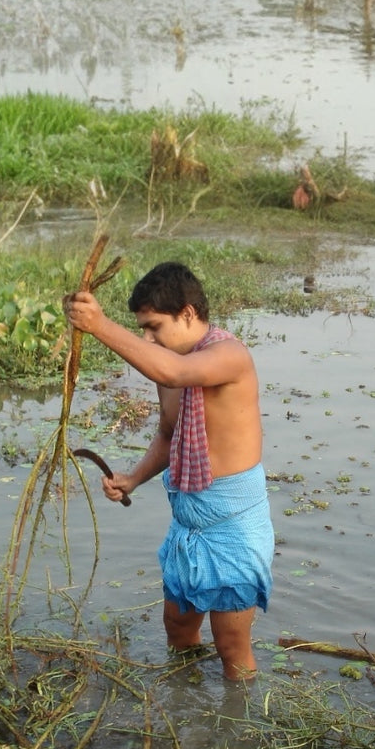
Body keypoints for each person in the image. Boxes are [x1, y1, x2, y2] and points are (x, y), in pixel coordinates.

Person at [66, 262, 274, 681]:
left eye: (153, 327)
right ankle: (184, 701)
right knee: (177, 629)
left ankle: (238, 716)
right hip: (188, 523)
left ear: (188, 314)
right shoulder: (171, 365)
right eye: (142, 329)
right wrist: (133, 478)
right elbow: (167, 432)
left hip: (233, 526)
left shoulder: (228, 356)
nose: (148, 338)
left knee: (232, 648)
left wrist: (100, 325)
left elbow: (173, 372)